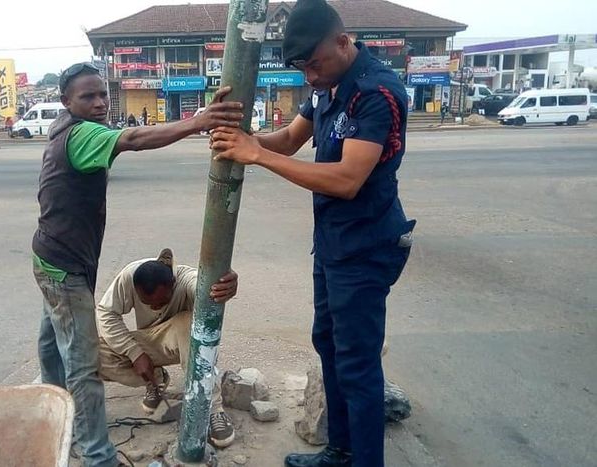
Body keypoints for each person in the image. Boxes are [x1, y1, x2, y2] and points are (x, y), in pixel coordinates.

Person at [210, 1, 415, 466]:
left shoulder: (376, 92)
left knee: (358, 366)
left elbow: (346, 180)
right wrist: (234, 135)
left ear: (343, 42)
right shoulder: (330, 85)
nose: (310, 76)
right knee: (329, 345)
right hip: (334, 245)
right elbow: (287, 140)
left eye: (315, 64)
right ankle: (340, 451)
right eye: (302, 68)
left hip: (367, 246)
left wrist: (255, 156)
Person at [31, 62, 243, 467]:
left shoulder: (61, 128)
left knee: (50, 345)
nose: (98, 103)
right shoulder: (80, 133)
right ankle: (97, 455)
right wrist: (198, 121)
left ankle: (48, 413)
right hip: (65, 267)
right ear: (66, 102)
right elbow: (135, 137)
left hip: (48, 257)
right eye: (87, 97)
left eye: (102, 95)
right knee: (82, 365)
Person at [96, 248, 238, 448]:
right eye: (148, 304)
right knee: (89, 351)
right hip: (149, 342)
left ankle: (214, 409)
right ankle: (156, 380)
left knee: (188, 323)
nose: (154, 308)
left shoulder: (186, 279)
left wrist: (223, 282)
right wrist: (134, 353)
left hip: (181, 341)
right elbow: (106, 313)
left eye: (160, 303)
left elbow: (205, 287)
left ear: (172, 284)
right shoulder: (130, 276)